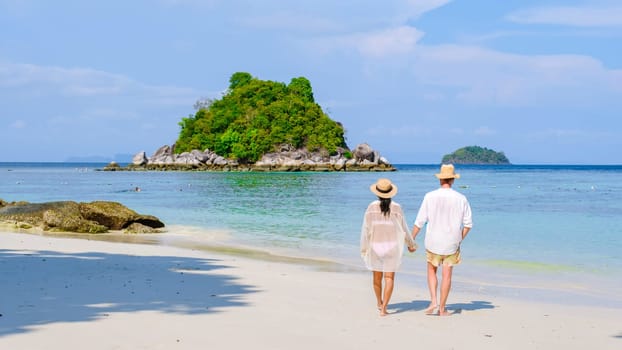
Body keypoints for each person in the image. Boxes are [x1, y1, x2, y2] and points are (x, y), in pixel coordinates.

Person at [411, 164, 472, 316]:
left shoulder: (429, 196)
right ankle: (442, 308)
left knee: (432, 270)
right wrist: (459, 239)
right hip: (451, 243)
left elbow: (419, 221)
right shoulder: (461, 198)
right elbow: (468, 225)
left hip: (433, 241)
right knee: (447, 275)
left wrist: (411, 239)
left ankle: (433, 300)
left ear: (440, 179)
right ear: (452, 180)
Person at [360, 178, 417, 316]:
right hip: (392, 247)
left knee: (377, 278)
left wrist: (364, 247)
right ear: (391, 193)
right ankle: (384, 308)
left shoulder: (371, 207)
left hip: (375, 246)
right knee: (389, 278)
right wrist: (411, 244)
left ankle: (379, 302)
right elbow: (403, 228)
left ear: (377, 192)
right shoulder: (397, 207)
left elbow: (366, 229)